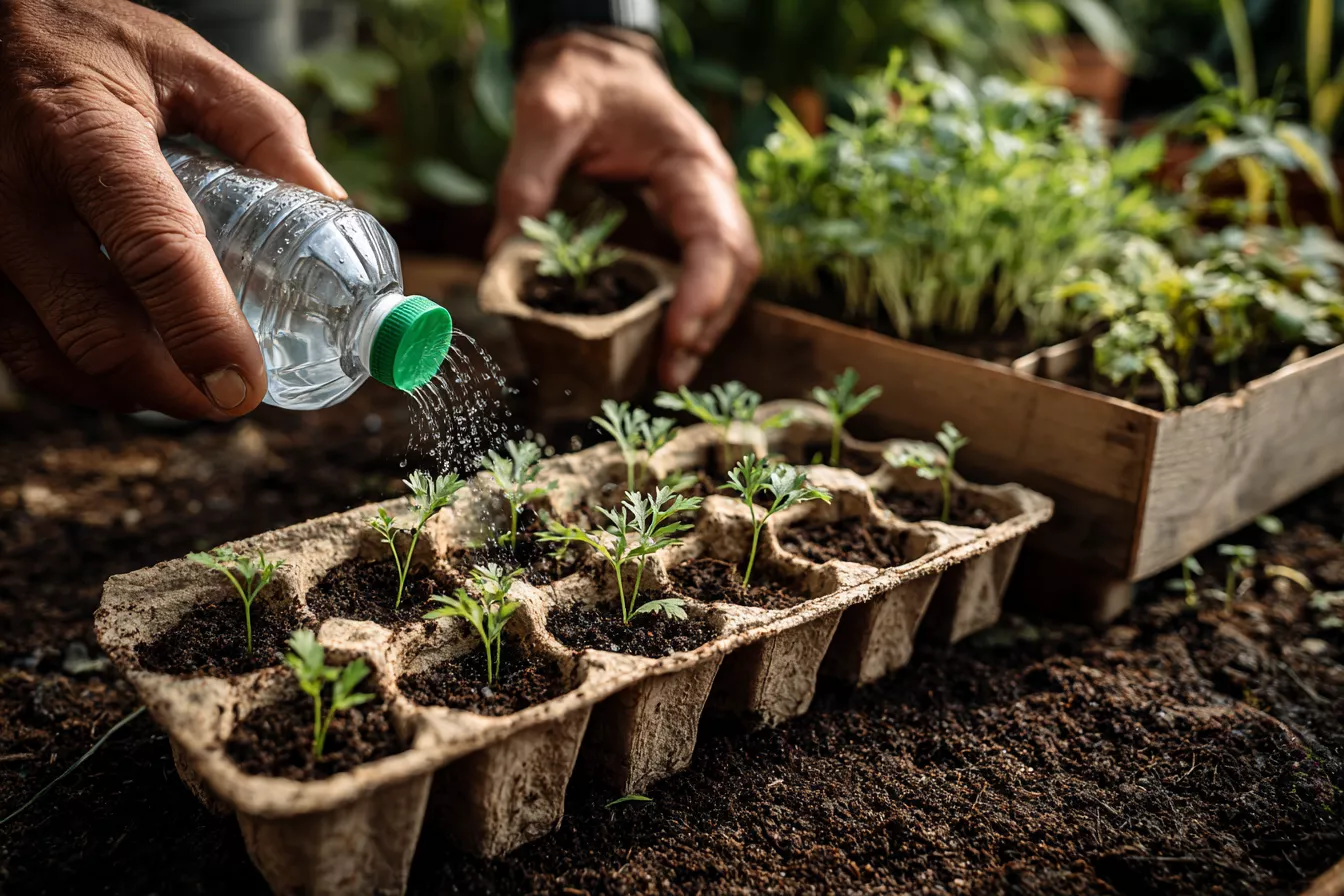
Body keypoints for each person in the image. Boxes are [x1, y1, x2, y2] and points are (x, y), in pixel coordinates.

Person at [0, 0, 758, 420]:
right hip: (64, 81)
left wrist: (596, 25)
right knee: (77, 217)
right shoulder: (333, 333)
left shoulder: (335, 341)